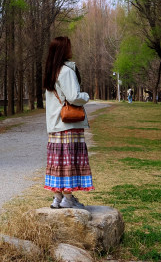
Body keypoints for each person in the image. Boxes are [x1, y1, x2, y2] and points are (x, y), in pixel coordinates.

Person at [43, 36, 93, 209]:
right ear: (63, 50)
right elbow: (73, 97)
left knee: (57, 162)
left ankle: (58, 198)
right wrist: (85, 96)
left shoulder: (51, 71)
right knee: (69, 161)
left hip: (55, 125)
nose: (71, 49)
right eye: (69, 46)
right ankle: (68, 198)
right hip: (68, 124)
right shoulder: (66, 71)